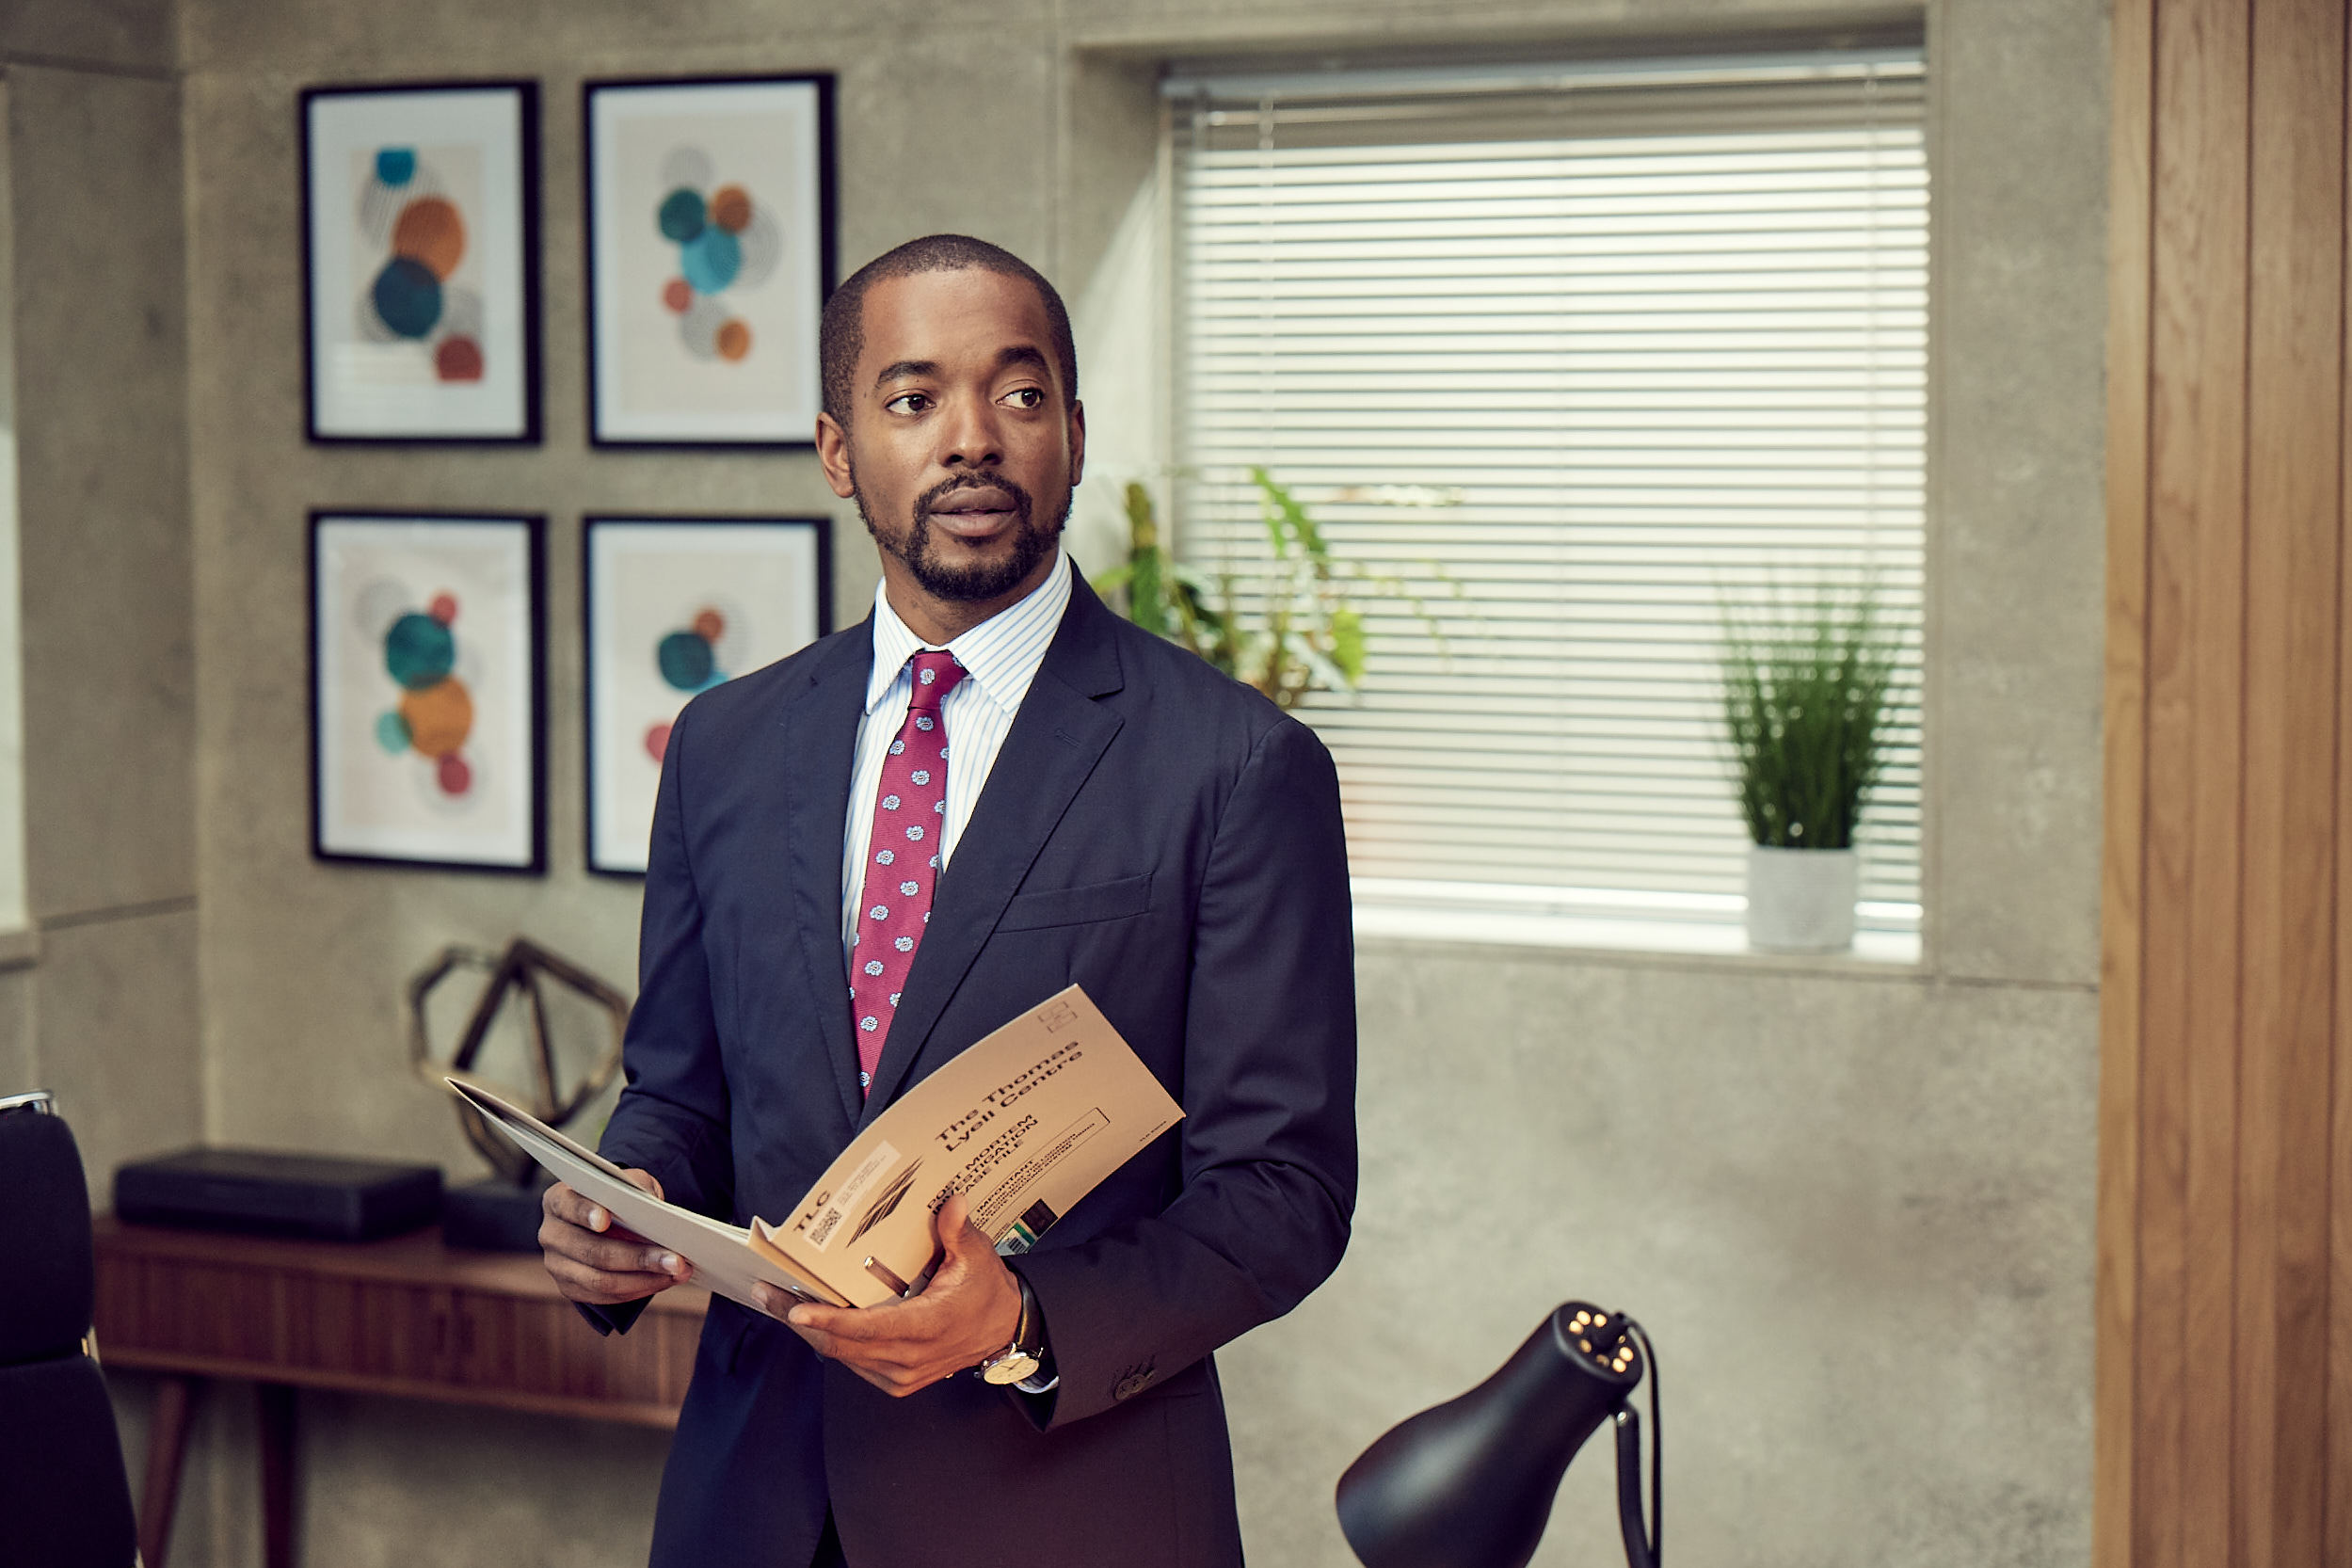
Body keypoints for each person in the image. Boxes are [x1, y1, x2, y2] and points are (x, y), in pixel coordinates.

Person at [538, 233, 1357, 1568]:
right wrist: (624, 1196)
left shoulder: (1237, 767)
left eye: (1020, 396)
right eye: (913, 399)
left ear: (1075, 437)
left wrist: (1022, 1319)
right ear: (837, 447)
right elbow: (681, 1091)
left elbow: (1284, 1192)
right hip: (749, 1506)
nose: (972, 439)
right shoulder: (724, 746)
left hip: (1068, 1513)